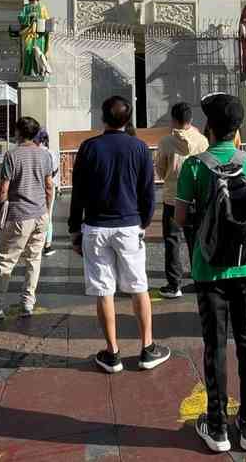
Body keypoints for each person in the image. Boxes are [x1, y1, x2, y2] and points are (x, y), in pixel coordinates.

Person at [175, 93, 246, 454]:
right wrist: (243, 227)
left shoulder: (193, 167)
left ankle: (217, 427)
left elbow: (181, 219)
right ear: (238, 130)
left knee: (215, 344)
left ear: (209, 127)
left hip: (208, 271)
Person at [69, 96, 171, 374]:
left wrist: (74, 228)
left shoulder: (89, 148)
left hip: (96, 226)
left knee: (104, 290)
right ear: (129, 118)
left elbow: (78, 193)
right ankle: (147, 348)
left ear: (102, 116)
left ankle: (112, 352)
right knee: (139, 286)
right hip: (129, 225)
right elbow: (148, 193)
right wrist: (143, 223)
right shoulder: (138, 148)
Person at [0, 116, 55, 321]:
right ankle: (28, 303)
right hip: (40, 215)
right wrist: (46, 209)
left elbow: (3, 189)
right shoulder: (45, 155)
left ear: (19, 132)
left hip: (20, 215)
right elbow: (49, 186)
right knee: (33, 260)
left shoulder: (12, 155)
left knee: (4, 261)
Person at [154, 102, 209, 299]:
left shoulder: (166, 142)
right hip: (196, 197)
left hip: (172, 198)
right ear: (190, 119)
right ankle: (200, 278)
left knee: (172, 240)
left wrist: (169, 176)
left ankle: (173, 284)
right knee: (196, 239)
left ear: (174, 119)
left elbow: (160, 169)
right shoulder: (202, 141)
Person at [35, 128, 62, 257]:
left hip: (34, 188)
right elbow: (54, 172)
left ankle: (34, 245)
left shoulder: (32, 152)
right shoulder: (51, 153)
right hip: (48, 188)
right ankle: (47, 245)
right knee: (48, 217)